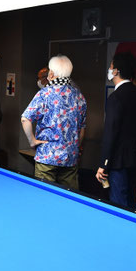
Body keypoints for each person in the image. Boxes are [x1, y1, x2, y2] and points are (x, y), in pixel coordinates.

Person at [21, 55, 87, 190]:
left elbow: (25, 118)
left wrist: (32, 141)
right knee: (69, 196)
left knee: (44, 196)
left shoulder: (44, 94)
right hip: (70, 157)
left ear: (51, 73)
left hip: (47, 156)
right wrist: (75, 148)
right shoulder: (79, 96)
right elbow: (82, 129)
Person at [95, 53, 136, 209]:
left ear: (116, 71)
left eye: (111, 67)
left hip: (118, 161)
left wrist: (103, 164)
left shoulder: (115, 98)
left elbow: (110, 133)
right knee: (133, 201)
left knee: (118, 203)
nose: (109, 70)